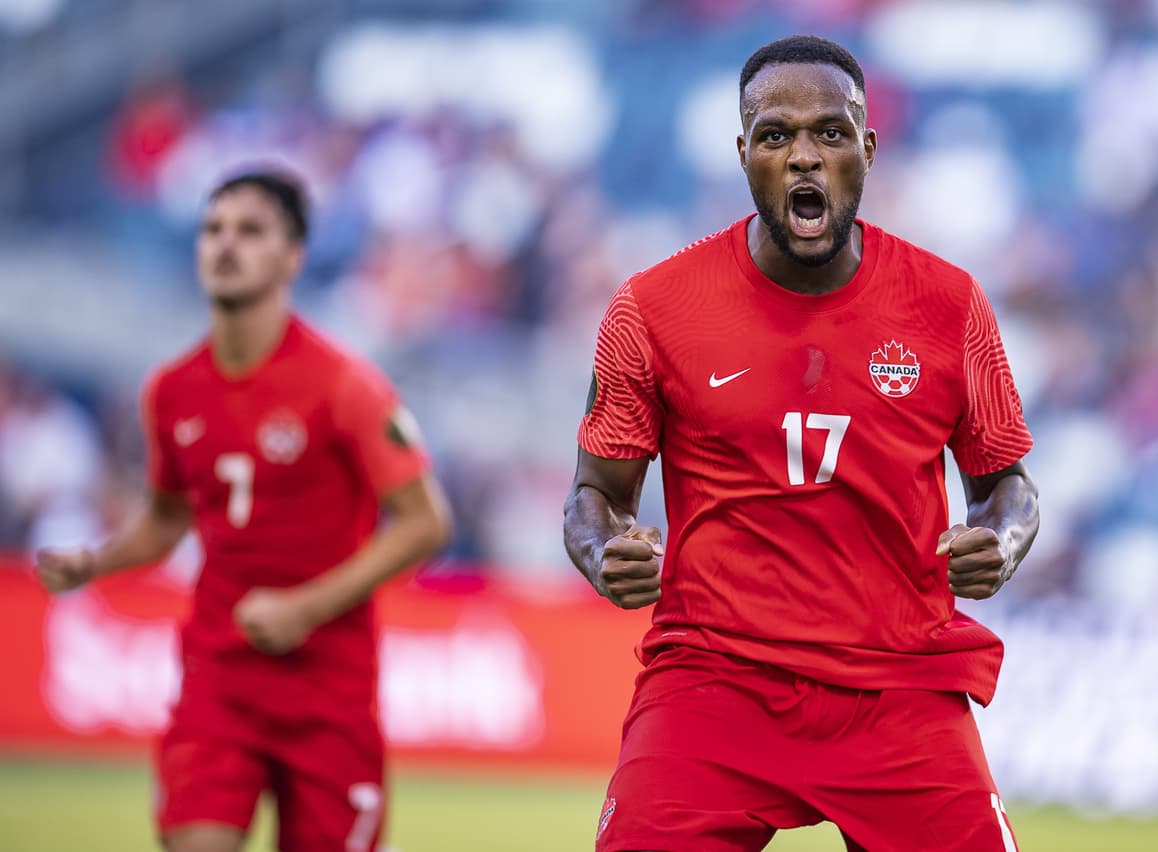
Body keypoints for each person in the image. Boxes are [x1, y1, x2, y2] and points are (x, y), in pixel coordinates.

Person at [564, 35, 1039, 852]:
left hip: (899, 686)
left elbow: (1009, 485)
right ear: (743, 153)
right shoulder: (653, 308)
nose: (805, 158)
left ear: (869, 148)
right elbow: (594, 496)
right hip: (715, 680)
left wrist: (1002, 538)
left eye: (831, 133)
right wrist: (604, 551)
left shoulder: (949, 304)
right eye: (777, 136)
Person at [35, 170, 452, 852]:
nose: (225, 246)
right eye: (213, 229)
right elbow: (167, 521)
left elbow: (426, 521)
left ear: (293, 256)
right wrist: (96, 559)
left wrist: (305, 608)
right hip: (218, 681)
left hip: (328, 692)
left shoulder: (343, 384)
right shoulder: (172, 391)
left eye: (251, 231)